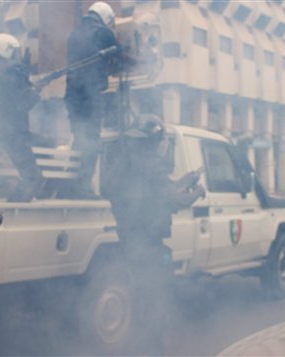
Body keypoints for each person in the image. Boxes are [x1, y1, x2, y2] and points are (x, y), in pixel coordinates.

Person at [105, 114, 205, 354]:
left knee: (139, 304)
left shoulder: (127, 166)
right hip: (149, 250)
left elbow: (160, 191)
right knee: (155, 308)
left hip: (131, 245)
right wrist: (197, 190)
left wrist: (187, 178)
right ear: (155, 141)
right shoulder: (150, 166)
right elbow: (173, 198)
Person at [63, 1, 120, 199]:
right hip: (89, 94)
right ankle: (82, 187)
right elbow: (118, 56)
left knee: (79, 138)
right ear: (105, 17)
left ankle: (70, 185)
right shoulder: (102, 32)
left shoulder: (74, 33)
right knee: (91, 141)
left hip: (72, 94)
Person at [0, 33, 43, 202]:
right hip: (13, 133)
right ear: (7, 50)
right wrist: (35, 91)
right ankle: (14, 207)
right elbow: (22, 104)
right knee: (33, 177)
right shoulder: (11, 70)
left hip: (3, 132)